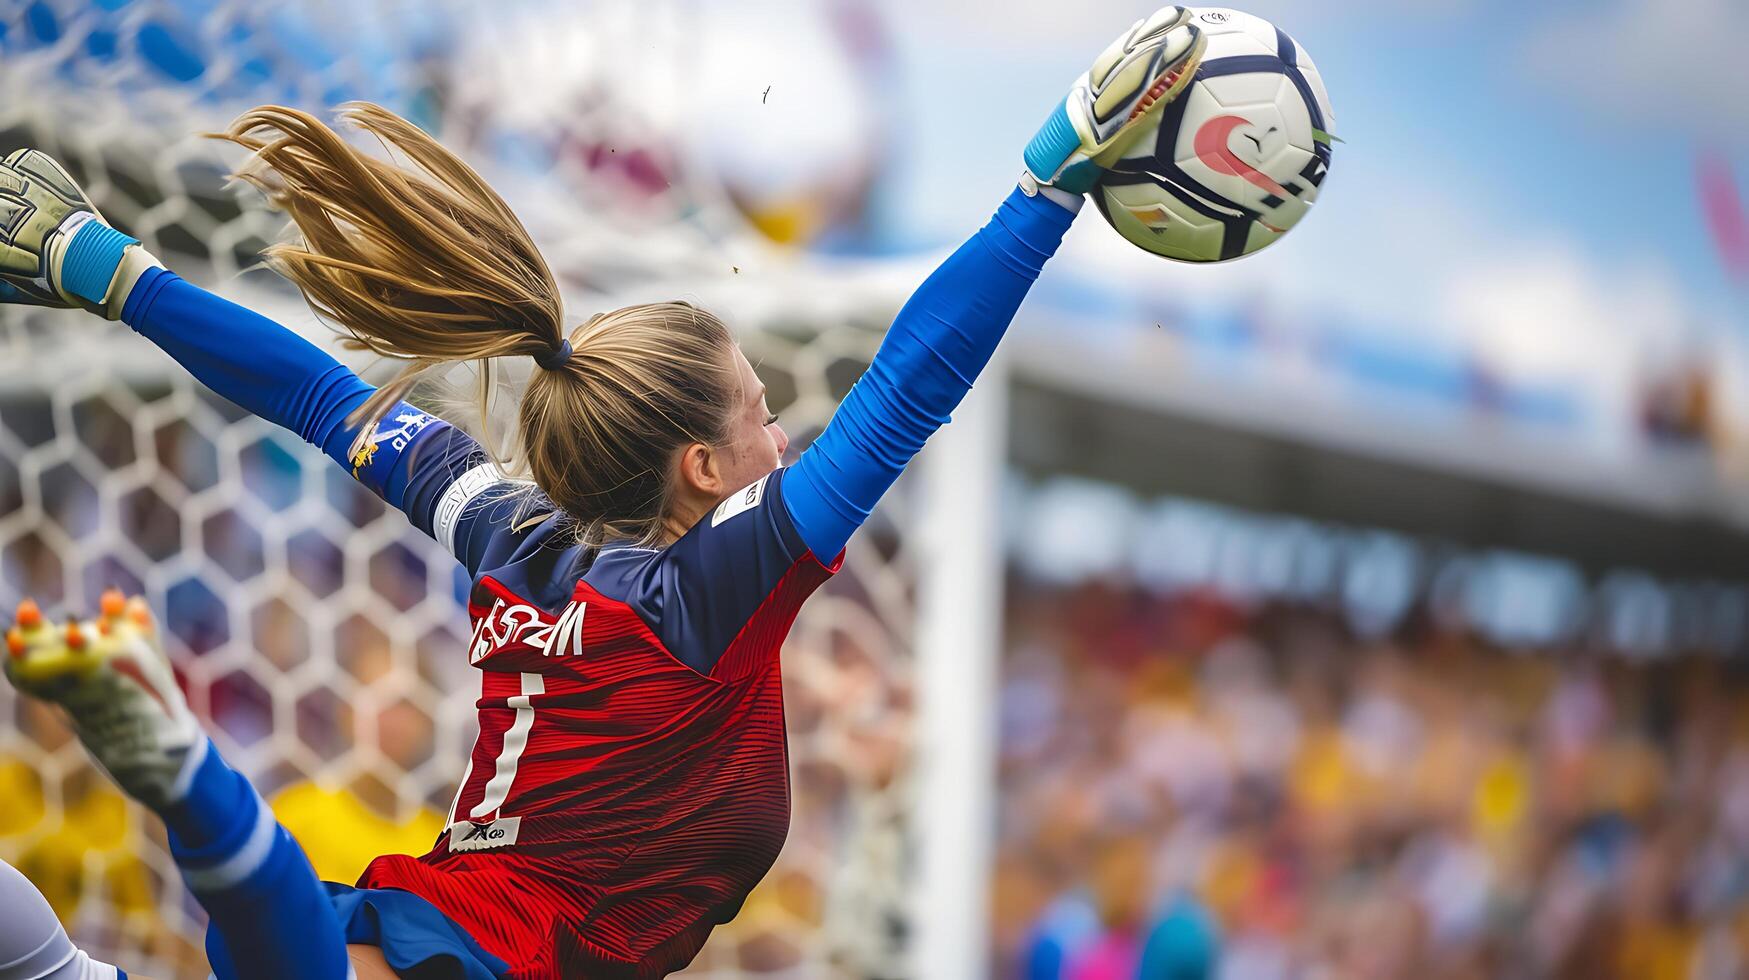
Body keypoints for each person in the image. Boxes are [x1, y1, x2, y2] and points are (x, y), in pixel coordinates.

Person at [0, 8, 1208, 978]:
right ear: (703, 469)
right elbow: (907, 388)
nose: (783, 435)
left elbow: (320, 396)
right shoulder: (713, 587)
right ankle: (189, 784)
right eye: (760, 413)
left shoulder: (504, 530)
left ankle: (196, 796)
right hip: (490, 947)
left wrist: (114, 275)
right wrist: (1044, 185)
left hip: (440, 916)